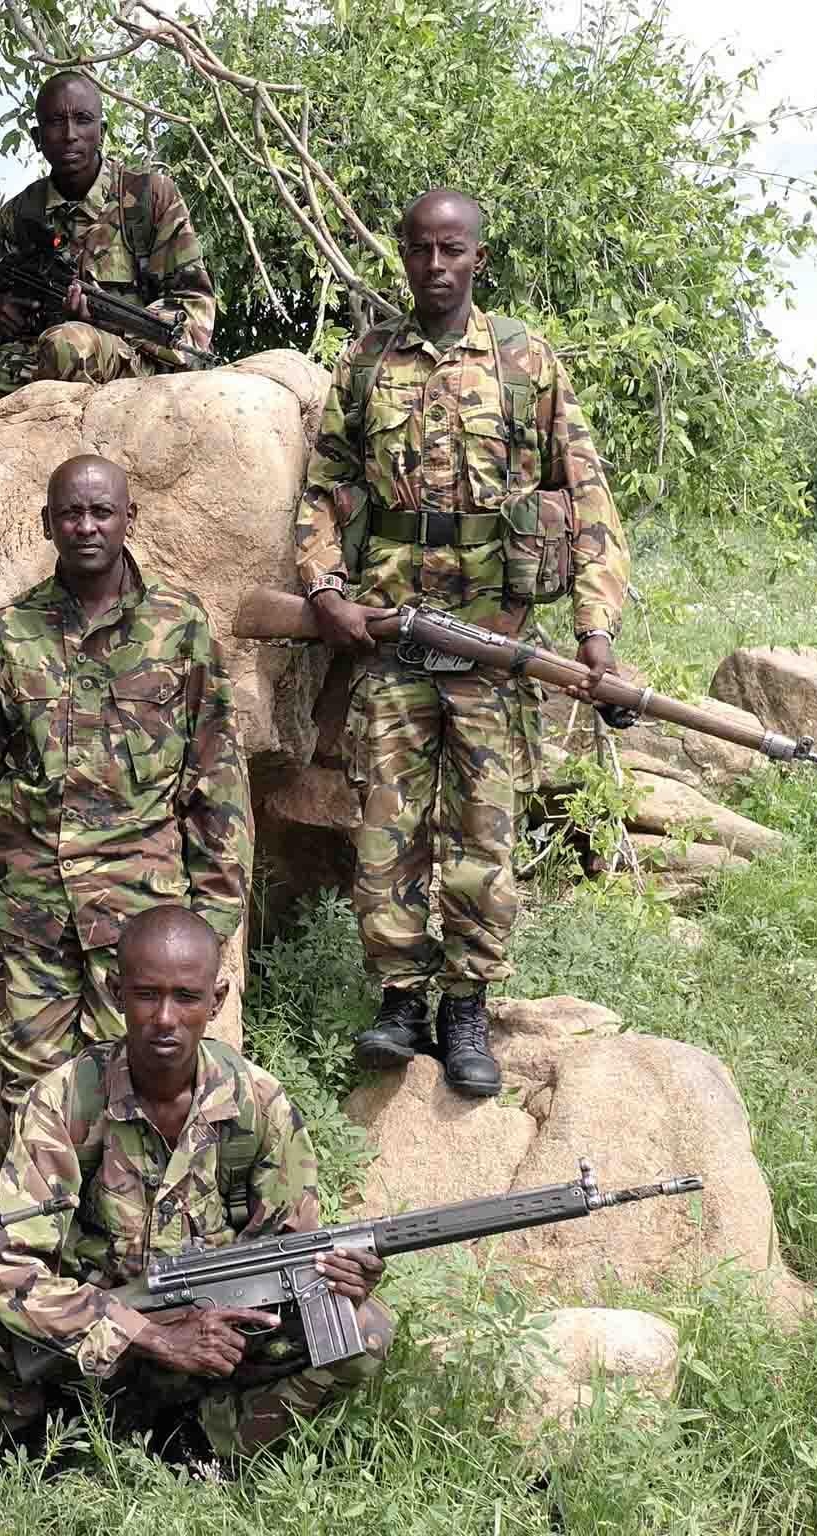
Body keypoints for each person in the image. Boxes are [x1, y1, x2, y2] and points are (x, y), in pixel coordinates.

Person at [295, 188, 630, 1097]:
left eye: (452, 250)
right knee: (385, 826)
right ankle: (399, 999)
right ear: (402, 257)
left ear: (478, 256)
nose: (434, 266)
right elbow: (323, 487)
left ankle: (466, 1004)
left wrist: (595, 633)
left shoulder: (525, 360)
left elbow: (589, 497)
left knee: (483, 828)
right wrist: (324, 591)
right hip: (392, 631)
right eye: (419, 251)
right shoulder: (365, 362)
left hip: (497, 638)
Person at [0, 907, 394, 1461]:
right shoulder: (67, 1099)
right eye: (147, 995)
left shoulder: (259, 1105)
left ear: (216, 1001)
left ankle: (202, 1446)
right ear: (116, 991)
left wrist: (335, 1277)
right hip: (85, 1349)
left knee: (361, 1326)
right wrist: (150, 1336)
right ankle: (36, 1443)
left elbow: (289, 1250)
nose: (165, 1018)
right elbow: (9, 1272)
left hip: (215, 1346)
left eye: (187, 998)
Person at [0, 453, 250, 1110]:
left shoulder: (180, 628)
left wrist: (214, 917)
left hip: (144, 922)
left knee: (146, 1091)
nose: (87, 526)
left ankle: (130, 1215)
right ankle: (42, 1213)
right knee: (32, 1095)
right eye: (71, 513)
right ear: (47, 523)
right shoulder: (9, 633)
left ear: (128, 518)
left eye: (101, 511)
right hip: (34, 917)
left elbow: (217, 776)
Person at [0, 71, 215, 437]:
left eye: (83, 120)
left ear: (101, 130)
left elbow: (194, 309)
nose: (70, 134)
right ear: (37, 138)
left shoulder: (150, 196)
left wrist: (106, 318)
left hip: (132, 361)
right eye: (56, 122)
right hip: (34, 358)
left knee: (67, 343)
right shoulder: (21, 213)